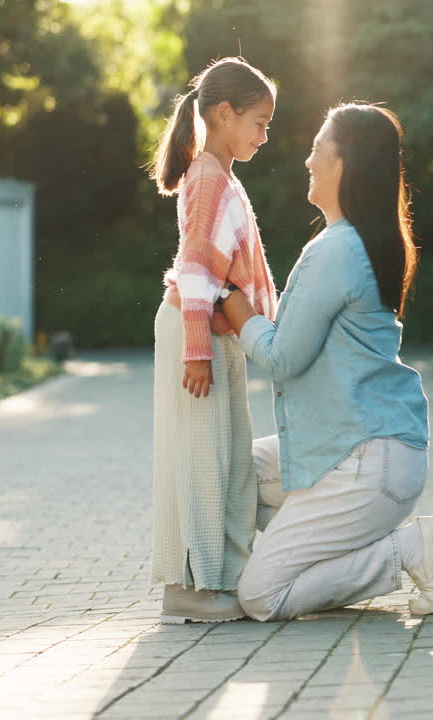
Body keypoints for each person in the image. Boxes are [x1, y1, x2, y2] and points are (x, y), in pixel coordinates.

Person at [220, 103, 433, 622]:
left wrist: (233, 308)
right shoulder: (352, 244)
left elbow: (283, 355)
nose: (307, 161)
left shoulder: (338, 249)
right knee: (227, 471)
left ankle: (409, 550)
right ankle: (331, 545)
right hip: (351, 451)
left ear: (345, 162)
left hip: (365, 463)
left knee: (261, 596)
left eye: (317, 150)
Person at [148, 57, 278, 624]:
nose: (263, 135)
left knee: (229, 461)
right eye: (259, 122)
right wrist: (197, 350)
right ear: (224, 114)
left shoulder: (222, 177)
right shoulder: (206, 177)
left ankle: (226, 576)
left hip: (212, 332)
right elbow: (197, 267)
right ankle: (193, 589)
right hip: (193, 331)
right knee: (204, 459)